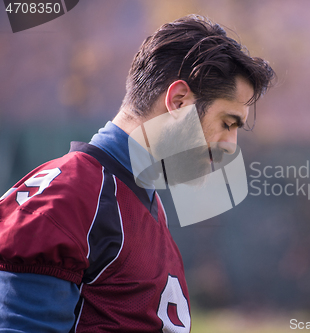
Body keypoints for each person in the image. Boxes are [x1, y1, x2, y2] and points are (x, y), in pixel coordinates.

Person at [0, 15, 274, 332]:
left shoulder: (141, 201)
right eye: (228, 123)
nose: (231, 145)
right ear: (179, 101)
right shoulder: (67, 199)